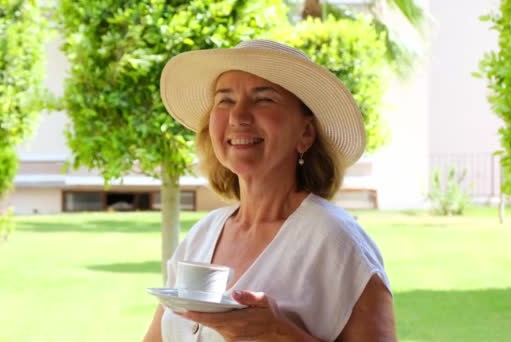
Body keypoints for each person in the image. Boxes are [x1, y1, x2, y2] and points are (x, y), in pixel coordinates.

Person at [143, 40, 395, 341]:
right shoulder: (201, 235)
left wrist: (280, 332)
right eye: (225, 100)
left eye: (263, 99)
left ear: (305, 133)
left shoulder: (338, 242)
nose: (238, 116)